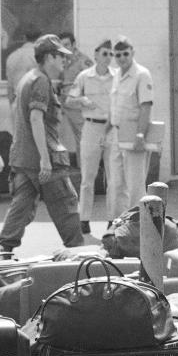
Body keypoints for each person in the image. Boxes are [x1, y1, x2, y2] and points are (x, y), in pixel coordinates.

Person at [0, 34, 84, 252]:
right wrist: (45, 160)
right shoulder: (41, 81)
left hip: (24, 157)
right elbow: (36, 118)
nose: (64, 60)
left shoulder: (28, 78)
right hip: (44, 159)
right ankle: (77, 252)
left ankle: (3, 250)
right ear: (48, 57)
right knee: (66, 204)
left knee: (22, 205)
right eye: (60, 56)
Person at [66, 38, 116, 234]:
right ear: (95, 55)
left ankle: (113, 219)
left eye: (111, 54)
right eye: (105, 53)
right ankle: (84, 218)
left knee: (114, 179)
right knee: (88, 177)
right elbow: (70, 100)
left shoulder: (118, 77)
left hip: (112, 129)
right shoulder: (85, 76)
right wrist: (82, 101)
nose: (108, 58)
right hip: (91, 127)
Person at [107, 36, 154, 219]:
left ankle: (137, 226)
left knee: (135, 185)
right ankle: (117, 224)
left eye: (125, 54)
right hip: (117, 134)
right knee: (116, 184)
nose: (122, 58)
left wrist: (141, 135)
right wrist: (105, 133)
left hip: (135, 134)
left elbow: (146, 106)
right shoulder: (117, 75)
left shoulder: (142, 75)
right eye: (118, 55)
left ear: (132, 53)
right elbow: (114, 108)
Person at [58, 31, 94, 154]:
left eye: (67, 45)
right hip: (65, 104)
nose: (64, 48)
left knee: (83, 137)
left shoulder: (82, 61)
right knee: (71, 138)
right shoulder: (63, 60)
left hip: (77, 106)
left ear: (73, 44)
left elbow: (93, 80)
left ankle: (85, 168)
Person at [5, 24, 41, 109]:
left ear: (24, 38)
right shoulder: (41, 57)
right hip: (36, 104)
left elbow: (10, 86)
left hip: (17, 102)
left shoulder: (12, 56)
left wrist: (12, 105)